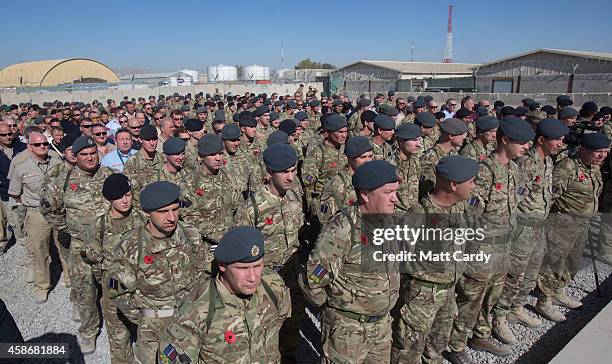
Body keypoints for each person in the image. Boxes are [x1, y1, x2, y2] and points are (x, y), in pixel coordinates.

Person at [447, 117, 533, 361]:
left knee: (491, 296)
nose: (527, 147)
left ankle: (481, 334)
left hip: (503, 245)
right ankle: (456, 345)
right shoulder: (485, 171)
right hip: (482, 248)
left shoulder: (514, 169)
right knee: (470, 299)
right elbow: (471, 215)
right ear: (505, 141)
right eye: (521, 143)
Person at [300, 160, 401, 363]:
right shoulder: (342, 228)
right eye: (388, 192)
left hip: (381, 327)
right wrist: (331, 310)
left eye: (395, 191)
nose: (395, 198)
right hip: (348, 331)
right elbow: (312, 279)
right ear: (365, 194)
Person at [108, 181, 211, 363]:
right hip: (154, 327)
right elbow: (117, 291)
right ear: (147, 212)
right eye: (163, 212)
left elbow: (203, 272)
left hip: (190, 320)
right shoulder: (132, 247)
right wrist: (143, 317)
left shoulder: (191, 235)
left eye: (175, 209)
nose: (171, 217)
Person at [157, 226, 291, 363]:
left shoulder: (273, 285)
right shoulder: (196, 310)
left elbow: (279, 323)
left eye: (257, 266)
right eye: (242, 268)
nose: (252, 277)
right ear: (222, 265)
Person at [392, 155, 479, 364]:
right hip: (421, 295)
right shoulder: (419, 215)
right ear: (453, 185)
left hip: (448, 291)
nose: (474, 186)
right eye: (471, 181)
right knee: (408, 349)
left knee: (437, 344)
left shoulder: (459, 207)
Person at [491, 119, 568, 343]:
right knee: (514, 274)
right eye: (557, 140)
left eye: (563, 140)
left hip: (538, 225)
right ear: (542, 140)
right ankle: (500, 317)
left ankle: (517, 306)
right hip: (523, 228)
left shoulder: (549, 162)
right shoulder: (526, 163)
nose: (561, 143)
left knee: (531, 272)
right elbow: (514, 199)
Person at [40, 135, 115, 354]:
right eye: (84, 154)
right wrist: (66, 229)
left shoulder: (111, 176)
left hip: (108, 244)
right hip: (80, 246)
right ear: (76, 157)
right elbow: (48, 208)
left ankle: (116, 326)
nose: (90, 158)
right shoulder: (64, 179)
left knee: (113, 287)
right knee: (85, 289)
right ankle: (89, 331)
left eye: (93, 153)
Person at [234, 143, 304, 361]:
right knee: (265, 336)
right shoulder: (252, 208)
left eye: (293, 171)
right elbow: (240, 254)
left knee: (292, 328)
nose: (291, 177)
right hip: (263, 282)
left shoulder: (294, 198)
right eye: (285, 172)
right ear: (270, 173)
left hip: (292, 275)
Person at [536, 133, 609, 322]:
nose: (602, 156)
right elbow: (551, 195)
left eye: (605, 152)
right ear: (583, 150)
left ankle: (559, 291)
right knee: (554, 263)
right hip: (563, 224)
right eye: (598, 152)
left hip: (582, 223)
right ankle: (544, 301)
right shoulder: (567, 166)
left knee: (572, 261)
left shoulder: (594, 167)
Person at [84, 174, 142, 363]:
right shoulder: (99, 225)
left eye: (128, 195)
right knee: (118, 334)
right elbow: (94, 260)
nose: (125, 201)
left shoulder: (142, 219)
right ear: (109, 199)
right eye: (119, 197)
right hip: (114, 286)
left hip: (141, 283)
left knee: (146, 327)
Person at [8, 130, 61, 302]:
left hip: (59, 211)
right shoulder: (20, 166)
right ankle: (42, 285)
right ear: (29, 147)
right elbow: (16, 193)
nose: (42, 147)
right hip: (37, 213)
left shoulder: (56, 160)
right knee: (39, 251)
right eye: (37, 144)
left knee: (64, 246)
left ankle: (69, 278)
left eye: (45, 143)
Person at [180, 134, 243, 250]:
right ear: (201, 156)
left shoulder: (228, 177)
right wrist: (222, 236)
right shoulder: (189, 183)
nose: (218, 158)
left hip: (233, 240)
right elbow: (191, 217)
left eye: (220, 153)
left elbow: (239, 207)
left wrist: (236, 233)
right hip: (205, 246)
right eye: (213, 154)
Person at [317, 136, 373, 224]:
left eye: (370, 156)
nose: (368, 161)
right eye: (362, 157)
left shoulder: (372, 178)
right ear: (350, 158)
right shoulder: (338, 184)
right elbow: (325, 219)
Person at [301, 114, 348, 217]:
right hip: (324, 204)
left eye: (345, 132)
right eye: (340, 132)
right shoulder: (317, 154)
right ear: (328, 133)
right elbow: (307, 181)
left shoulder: (344, 149)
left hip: (343, 201)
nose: (344, 135)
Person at [420, 118, 468, 198]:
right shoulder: (430, 158)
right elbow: (427, 190)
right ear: (451, 136)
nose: (464, 138)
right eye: (461, 134)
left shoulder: (453, 153)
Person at [0, 121, 26, 254]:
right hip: (4, 191)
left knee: (23, 220)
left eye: (10, 134)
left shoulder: (21, 147)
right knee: (10, 220)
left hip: (22, 191)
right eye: (3, 135)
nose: (8, 137)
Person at [395, 123, 423, 211]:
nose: (418, 144)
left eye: (419, 140)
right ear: (401, 141)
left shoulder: (416, 162)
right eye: (414, 140)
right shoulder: (389, 165)